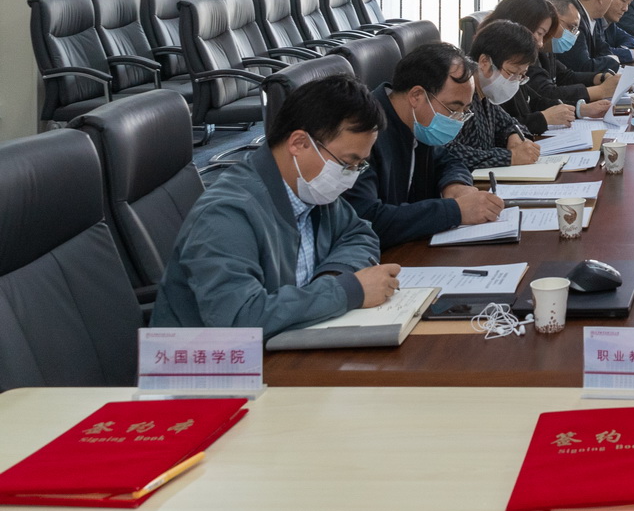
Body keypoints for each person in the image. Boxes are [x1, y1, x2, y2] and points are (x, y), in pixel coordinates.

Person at [152, 74, 401, 337]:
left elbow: (359, 233)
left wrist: (331, 278)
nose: (350, 177)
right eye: (346, 163)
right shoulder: (225, 214)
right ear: (299, 143)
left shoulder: (311, 189)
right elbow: (239, 319)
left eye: (359, 165)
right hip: (210, 358)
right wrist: (348, 291)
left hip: (286, 342)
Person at [343, 42, 504, 248]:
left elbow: (448, 160)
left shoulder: (418, 122)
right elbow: (367, 219)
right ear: (416, 96)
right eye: (453, 109)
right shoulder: (363, 134)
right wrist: (455, 211)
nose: (458, 119)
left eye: (464, 110)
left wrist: (456, 185)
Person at [482, 0, 613, 132]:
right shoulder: (496, 68)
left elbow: (535, 100)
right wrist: (543, 118)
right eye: (540, 33)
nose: (540, 43)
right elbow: (499, 128)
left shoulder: (525, 59)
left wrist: (580, 109)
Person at [444, 18, 542, 171]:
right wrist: (510, 157)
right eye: (512, 73)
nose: (515, 81)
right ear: (484, 62)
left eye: (521, 75)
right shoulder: (458, 94)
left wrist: (513, 137)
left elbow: (510, 124)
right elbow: (446, 152)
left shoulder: (485, 95)